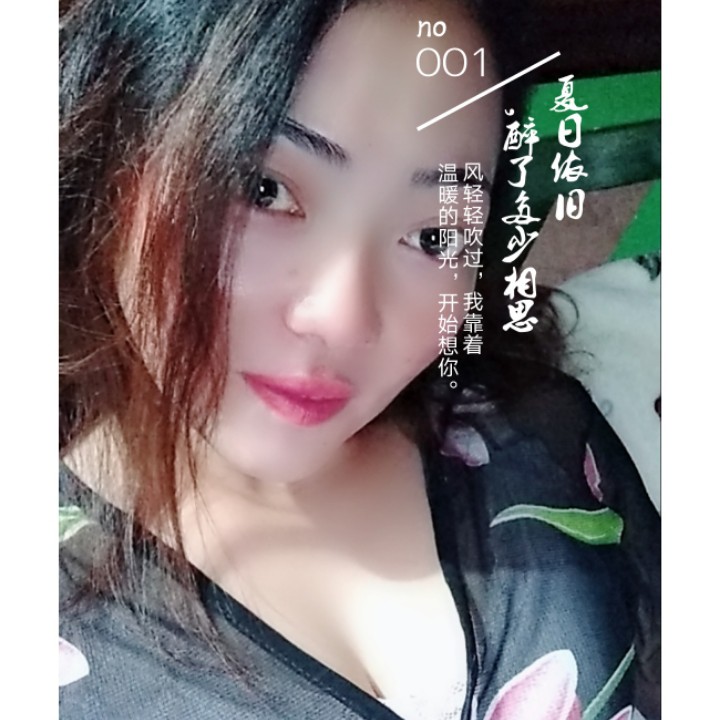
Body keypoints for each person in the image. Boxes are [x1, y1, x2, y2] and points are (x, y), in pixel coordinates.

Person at [59, 1, 661, 718]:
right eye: (263, 190)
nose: (341, 319)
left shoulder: (546, 437)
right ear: (112, 155)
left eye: (435, 238)